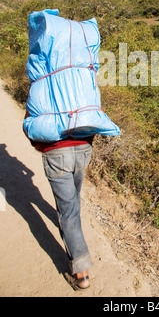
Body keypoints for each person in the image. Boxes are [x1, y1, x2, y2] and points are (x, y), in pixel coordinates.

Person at [24, 113, 94, 290]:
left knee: (68, 211)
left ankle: (82, 275)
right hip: (83, 149)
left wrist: (39, 145)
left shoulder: (40, 84)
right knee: (73, 198)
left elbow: (29, 124)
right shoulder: (80, 83)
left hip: (56, 152)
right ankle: (71, 229)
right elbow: (92, 111)